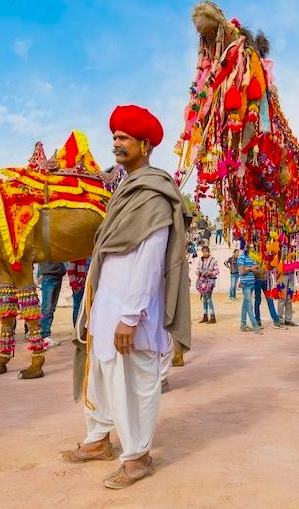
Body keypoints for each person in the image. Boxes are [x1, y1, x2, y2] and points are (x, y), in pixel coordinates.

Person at [64, 104, 191, 489]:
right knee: (102, 375)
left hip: (133, 310)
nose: (116, 143)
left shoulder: (152, 194)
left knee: (134, 382)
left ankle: (137, 456)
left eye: (124, 138)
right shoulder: (125, 190)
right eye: (115, 137)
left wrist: (130, 315)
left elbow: (151, 260)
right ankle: (98, 439)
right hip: (106, 304)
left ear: (145, 145)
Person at [38, 261, 66, 348]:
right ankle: (44, 335)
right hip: (48, 276)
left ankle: (46, 334)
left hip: (58, 276)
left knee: (51, 308)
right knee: (47, 308)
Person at [237, 243, 261, 333]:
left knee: (245, 304)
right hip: (246, 284)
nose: (252, 249)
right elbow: (242, 271)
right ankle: (255, 326)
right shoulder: (241, 257)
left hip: (251, 283)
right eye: (250, 248)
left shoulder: (252, 257)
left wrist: (249, 268)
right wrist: (251, 268)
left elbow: (257, 269)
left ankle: (243, 324)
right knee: (249, 305)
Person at [195, 245, 219, 323]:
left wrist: (210, 273)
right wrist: (198, 272)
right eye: (203, 252)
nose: (205, 253)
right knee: (204, 299)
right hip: (202, 283)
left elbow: (217, 271)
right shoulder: (200, 260)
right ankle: (205, 316)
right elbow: (197, 269)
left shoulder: (213, 260)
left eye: (206, 251)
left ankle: (212, 317)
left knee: (208, 299)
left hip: (210, 282)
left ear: (209, 252)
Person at [67, 258, 88, 327]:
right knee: (77, 308)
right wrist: (74, 284)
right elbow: (70, 270)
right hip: (79, 285)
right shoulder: (78, 253)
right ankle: (76, 330)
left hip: (90, 286)